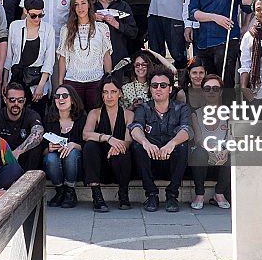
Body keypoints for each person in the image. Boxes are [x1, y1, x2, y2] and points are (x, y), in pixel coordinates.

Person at [187, 0, 251, 102]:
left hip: (227, 39)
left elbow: (248, 6)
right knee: (208, 83)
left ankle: (227, 119)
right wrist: (216, 17)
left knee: (226, 82)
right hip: (204, 42)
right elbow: (193, 13)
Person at [129, 67, 192, 213]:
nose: (158, 89)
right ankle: (151, 194)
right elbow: (135, 128)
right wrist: (145, 142)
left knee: (182, 146)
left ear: (170, 89)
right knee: (137, 146)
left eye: (163, 85)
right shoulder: (143, 108)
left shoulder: (181, 108)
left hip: (172, 161)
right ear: (150, 89)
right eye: (154, 85)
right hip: (150, 161)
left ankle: (172, 195)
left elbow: (187, 130)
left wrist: (172, 143)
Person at [82, 76, 135, 212]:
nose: (109, 96)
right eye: (106, 92)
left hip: (120, 164)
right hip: (100, 166)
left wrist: (117, 146)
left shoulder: (128, 114)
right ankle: (97, 195)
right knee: (90, 146)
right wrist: (108, 138)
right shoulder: (95, 113)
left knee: (123, 150)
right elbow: (86, 134)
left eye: (113, 92)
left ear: (120, 93)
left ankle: (123, 194)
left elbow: (128, 141)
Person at [57, 0, 113, 111]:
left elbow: (106, 55)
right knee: (75, 116)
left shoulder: (102, 28)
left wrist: (109, 79)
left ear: (89, 5)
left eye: (83, 3)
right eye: (76, 5)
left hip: (96, 80)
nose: (80, 7)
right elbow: (62, 57)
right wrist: (61, 82)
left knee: (96, 115)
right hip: (73, 80)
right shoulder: (66, 30)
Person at [4, 0, 55, 116]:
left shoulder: (48, 29)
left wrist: (41, 86)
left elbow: (49, 60)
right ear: (25, 11)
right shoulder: (15, 26)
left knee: (37, 115)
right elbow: (9, 57)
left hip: (37, 79)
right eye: (33, 15)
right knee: (14, 114)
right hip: (16, 78)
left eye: (41, 15)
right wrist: (5, 82)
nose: (37, 19)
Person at [189, 74, 231, 210]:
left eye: (215, 88)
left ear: (221, 91)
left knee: (235, 153)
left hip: (223, 157)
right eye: (207, 89)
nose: (211, 92)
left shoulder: (229, 113)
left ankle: (219, 193)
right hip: (204, 158)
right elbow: (198, 139)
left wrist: (225, 150)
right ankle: (199, 194)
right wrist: (212, 149)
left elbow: (231, 137)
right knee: (199, 152)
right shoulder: (196, 114)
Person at [41, 84, 86, 208]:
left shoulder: (82, 118)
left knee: (71, 154)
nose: (61, 99)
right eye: (57, 96)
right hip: (55, 162)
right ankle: (60, 191)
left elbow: (87, 145)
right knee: (50, 157)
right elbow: (41, 149)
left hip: (76, 164)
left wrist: (74, 145)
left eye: (65, 96)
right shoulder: (48, 120)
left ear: (73, 100)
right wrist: (49, 148)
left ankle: (70, 191)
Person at [0, 83, 46, 171]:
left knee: (36, 147)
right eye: (12, 100)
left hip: (24, 159)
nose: (16, 103)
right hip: (4, 159)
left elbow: (38, 132)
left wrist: (18, 151)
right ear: (5, 100)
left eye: (20, 100)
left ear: (24, 101)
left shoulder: (31, 114)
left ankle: (28, 180)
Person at [91, 0, 137, 66]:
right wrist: (91, 18)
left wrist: (117, 24)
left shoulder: (122, 6)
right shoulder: (91, 7)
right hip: (96, 58)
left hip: (118, 56)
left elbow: (133, 32)